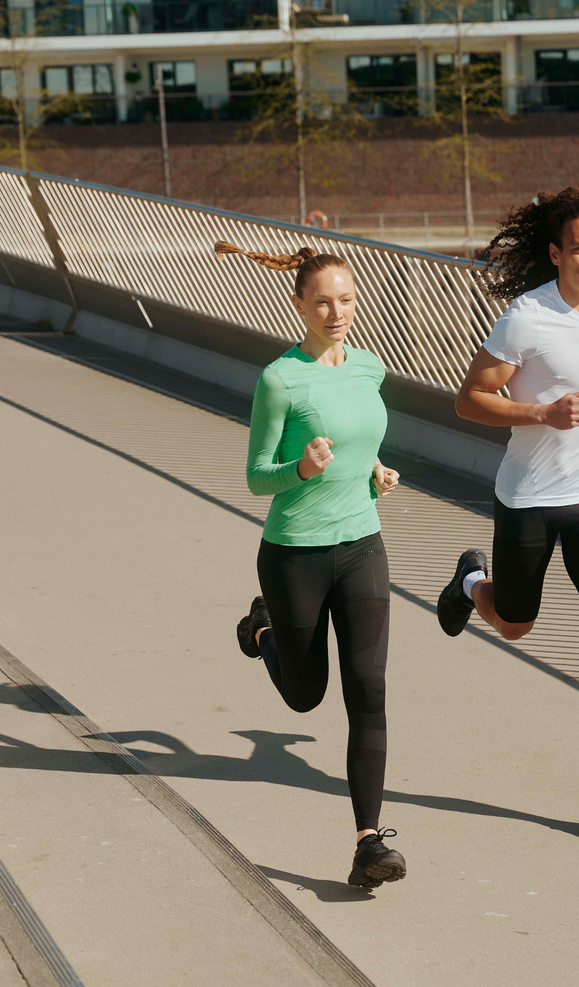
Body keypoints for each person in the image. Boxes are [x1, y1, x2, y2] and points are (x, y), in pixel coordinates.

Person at [434, 188, 579, 834]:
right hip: (530, 497)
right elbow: (469, 399)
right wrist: (541, 412)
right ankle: (471, 583)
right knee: (514, 624)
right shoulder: (525, 319)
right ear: (557, 255)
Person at [214, 239, 407, 887]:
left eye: (346, 300)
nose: (336, 312)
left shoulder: (370, 368)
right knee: (305, 695)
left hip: (361, 545)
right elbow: (255, 478)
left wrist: (372, 470)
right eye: (322, 301)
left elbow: (362, 441)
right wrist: (301, 468)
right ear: (298, 303)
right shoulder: (280, 378)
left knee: (368, 689)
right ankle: (264, 629)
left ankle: (368, 843)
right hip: (294, 554)